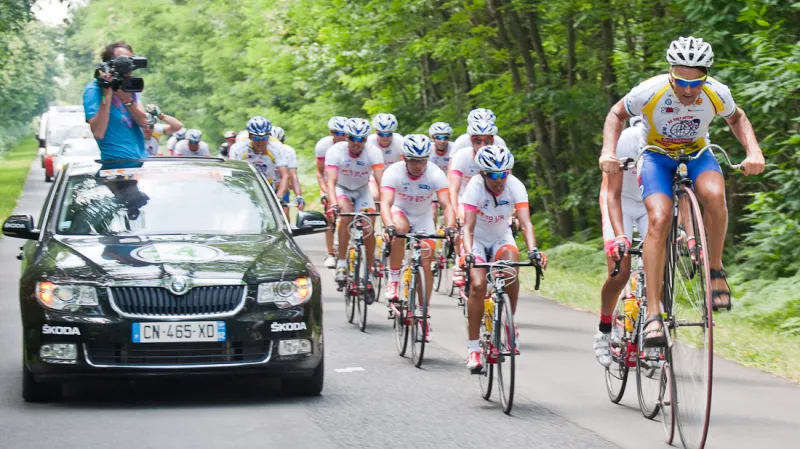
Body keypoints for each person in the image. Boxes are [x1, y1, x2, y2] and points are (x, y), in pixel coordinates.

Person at [598, 36, 765, 347]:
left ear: (706, 76)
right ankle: (653, 314)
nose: (688, 91)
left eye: (696, 83)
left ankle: (715, 270)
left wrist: (753, 151)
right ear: (671, 72)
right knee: (659, 218)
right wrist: (608, 151)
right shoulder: (650, 91)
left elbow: (737, 117)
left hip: (698, 153)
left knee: (715, 195)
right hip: (656, 156)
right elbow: (616, 115)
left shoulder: (716, 93)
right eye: (681, 82)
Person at [461, 145, 547, 372]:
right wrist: (469, 253)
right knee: (478, 286)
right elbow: (467, 228)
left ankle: (508, 320)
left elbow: (526, 222)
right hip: (477, 240)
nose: (500, 180)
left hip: (501, 236)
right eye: (494, 175)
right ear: (482, 173)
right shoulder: (475, 188)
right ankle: (473, 348)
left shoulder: (515, 186)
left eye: (504, 173)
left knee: (510, 270)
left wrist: (534, 250)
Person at [381, 135, 456, 340]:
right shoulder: (393, 172)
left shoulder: (434, 174)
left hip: (423, 217)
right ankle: (394, 279)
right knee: (400, 229)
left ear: (427, 159)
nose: (417, 165)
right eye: (413, 160)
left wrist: (450, 227)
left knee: (426, 260)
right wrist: (389, 225)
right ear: (404, 158)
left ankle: (423, 314)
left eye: (421, 160)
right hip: (400, 211)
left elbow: (447, 205)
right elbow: (386, 203)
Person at [593, 117, 648, 367]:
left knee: (658, 267)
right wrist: (618, 237)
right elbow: (610, 194)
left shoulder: (671, 143)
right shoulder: (625, 140)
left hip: (649, 204)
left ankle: (650, 332)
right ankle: (604, 330)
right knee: (620, 273)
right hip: (619, 203)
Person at [325, 118, 385, 294]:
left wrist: (386, 203)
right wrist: (333, 203)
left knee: (367, 227)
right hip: (341, 188)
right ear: (346, 137)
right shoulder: (336, 151)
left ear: (366, 140)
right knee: (346, 215)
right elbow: (331, 182)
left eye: (361, 139)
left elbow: (381, 181)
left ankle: (370, 266)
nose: (356, 143)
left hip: (362, 189)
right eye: (352, 138)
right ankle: (342, 264)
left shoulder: (373, 152)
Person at [83, 41, 148, 160]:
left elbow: (144, 122)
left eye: (130, 61)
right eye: (123, 61)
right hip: (115, 164)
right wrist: (106, 95)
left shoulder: (129, 86)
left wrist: (128, 102)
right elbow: (98, 133)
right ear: (110, 64)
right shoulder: (94, 89)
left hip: (139, 161)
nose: (128, 66)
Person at [448, 119, 499, 221]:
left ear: (493, 141)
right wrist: (456, 215)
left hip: (488, 199)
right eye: (477, 141)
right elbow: (454, 190)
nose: (482, 145)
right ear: (471, 141)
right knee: (464, 219)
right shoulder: (461, 156)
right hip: (464, 198)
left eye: (487, 141)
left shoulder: (499, 158)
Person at [231, 116, 291, 201]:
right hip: (245, 184)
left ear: (269, 136)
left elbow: (285, 175)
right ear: (250, 136)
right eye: (256, 138)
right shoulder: (238, 148)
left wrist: (279, 198)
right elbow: (232, 174)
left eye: (264, 138)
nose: (260, 142)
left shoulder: (277, 148)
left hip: (267, 185)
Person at [315, 116, 348, 268]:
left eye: (343, 133)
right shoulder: (323, 145)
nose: (341, 136)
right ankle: (330, 253)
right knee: (330, 215)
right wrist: (325, 191)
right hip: (330, 183)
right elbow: (320, 172)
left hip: (348, 182)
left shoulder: (353, 144)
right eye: (336, 133)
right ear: (331, 132)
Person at [367, 113, 404, 201]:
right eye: (381, 134)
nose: (385, 138)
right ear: (375, 131)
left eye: (388, 134)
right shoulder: (368, 142)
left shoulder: (400, 141)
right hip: (372, 176)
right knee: (374, 196)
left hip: (394, 177)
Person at [271, 125, 305, 214]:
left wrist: (299, 196)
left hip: (281, 185)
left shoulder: (288, 151)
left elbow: (293, 176)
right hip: (267, 184)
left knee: (284, 215)